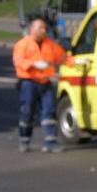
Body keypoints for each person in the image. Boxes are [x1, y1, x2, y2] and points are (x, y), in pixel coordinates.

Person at [12, 17, 67, 153]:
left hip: (45, 82)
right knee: (27, 111)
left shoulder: (50, 45)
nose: (43, 30)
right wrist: (32, 64)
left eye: (44, 28)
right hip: (28, 82)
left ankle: (50, 142)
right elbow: (18, 60)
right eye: (40, 28)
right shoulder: (23, 44)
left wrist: (76, 61)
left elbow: (63, 57)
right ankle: (24, 140)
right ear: (32, 29)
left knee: (49, 111)